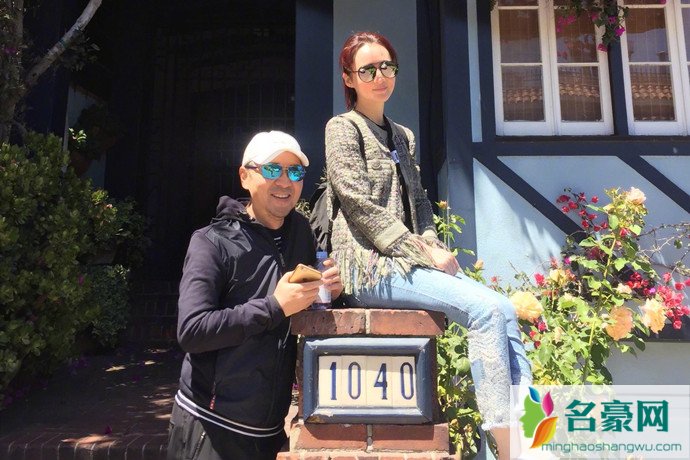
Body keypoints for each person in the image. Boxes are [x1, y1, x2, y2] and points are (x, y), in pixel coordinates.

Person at [324, 31, 531, 460]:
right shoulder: (343, 128)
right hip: (368, 267)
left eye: (387, 66)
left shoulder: (403, 136)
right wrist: (422, 252)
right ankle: (509, 449)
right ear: (349, 78)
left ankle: (524, 437)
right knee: (485, 310)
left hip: (407, 263)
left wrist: (432, 243)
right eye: (367, 70)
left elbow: (419, 204)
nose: (380, 76)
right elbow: (358, 203)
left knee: (504, 309)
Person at [167, 130, 343, 460]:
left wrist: (328, 290)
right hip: (211, 427)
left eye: (294, 172)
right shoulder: (211, 242)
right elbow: (192, 331)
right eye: (272, 169)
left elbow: (300, 308)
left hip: (270, 431)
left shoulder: (301, 233)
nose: (285, 181)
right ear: (245, 176)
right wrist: (275, 306)